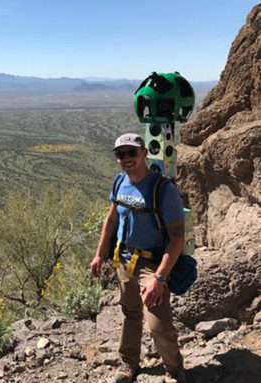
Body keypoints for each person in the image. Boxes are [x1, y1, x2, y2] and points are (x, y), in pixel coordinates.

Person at [90, 133, 187, 383]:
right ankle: (128, 364)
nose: (126, 158)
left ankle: (174, 370)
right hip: (124, 259)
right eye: (121, 154)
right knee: (130, 312)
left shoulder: (163, 189)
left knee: (157, 325)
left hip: (152, 264)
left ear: (144, 154)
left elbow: (177, 238)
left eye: (132, 153)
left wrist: (159, 277)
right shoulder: (120, 182)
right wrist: (99, 254)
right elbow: (111, 220)